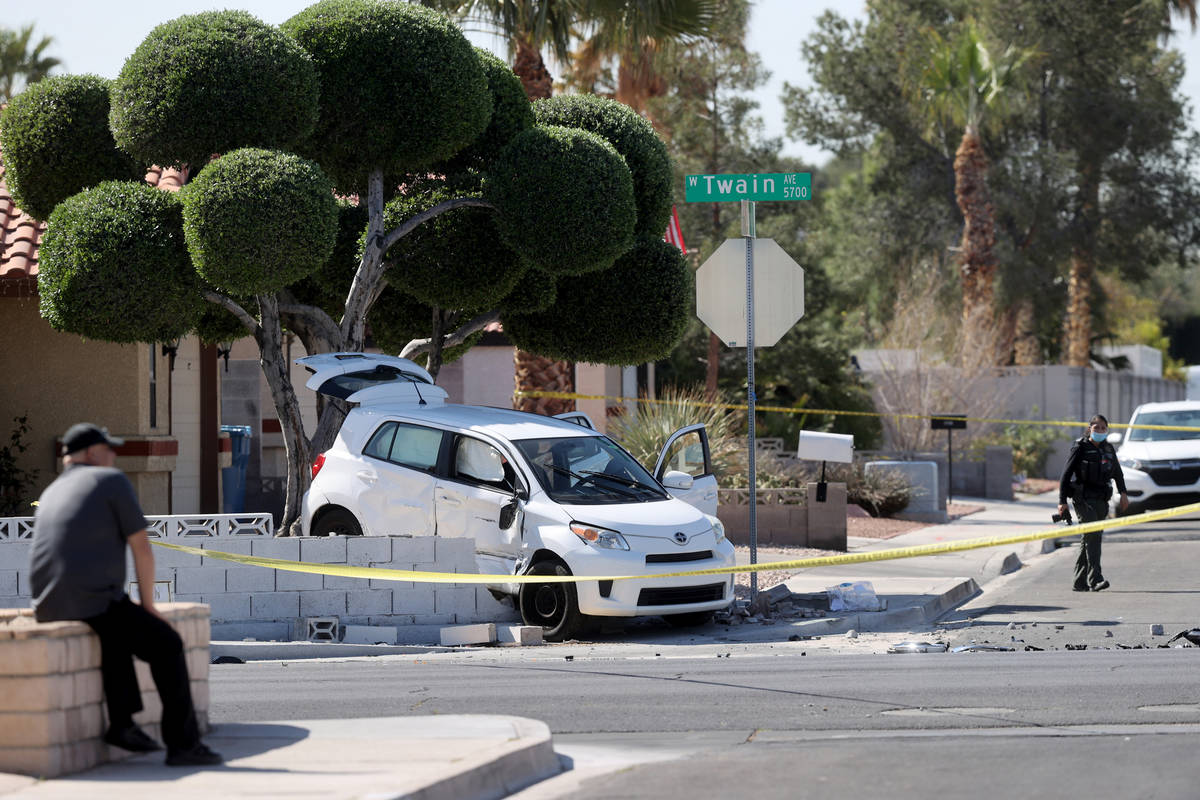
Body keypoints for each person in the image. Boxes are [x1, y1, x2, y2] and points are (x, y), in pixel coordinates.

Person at [29, 423, 222, 767]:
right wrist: (148, 605)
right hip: (92, 599)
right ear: (91, 453)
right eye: (109, 449)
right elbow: (142, 548)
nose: (115, 455)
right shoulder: (110, 482)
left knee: (115, 632)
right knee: (167, 644)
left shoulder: (51, 491)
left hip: (48, 604)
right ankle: (183, 745)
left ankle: (122, 725)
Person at [1057, 414, 1129, 592]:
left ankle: (1079, 581)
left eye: (1103, 428)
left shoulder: (1109, 449)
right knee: (1093, 536)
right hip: (1083, 499)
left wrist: (1123, 493)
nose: (1100, 431)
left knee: (1089, 538)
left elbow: (1118, 473)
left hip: (1102, 499)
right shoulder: (1080, 447)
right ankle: (1095, 579)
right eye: (1096, 427)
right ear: (1090, 428)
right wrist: (1062, 501)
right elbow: (1066, 475)